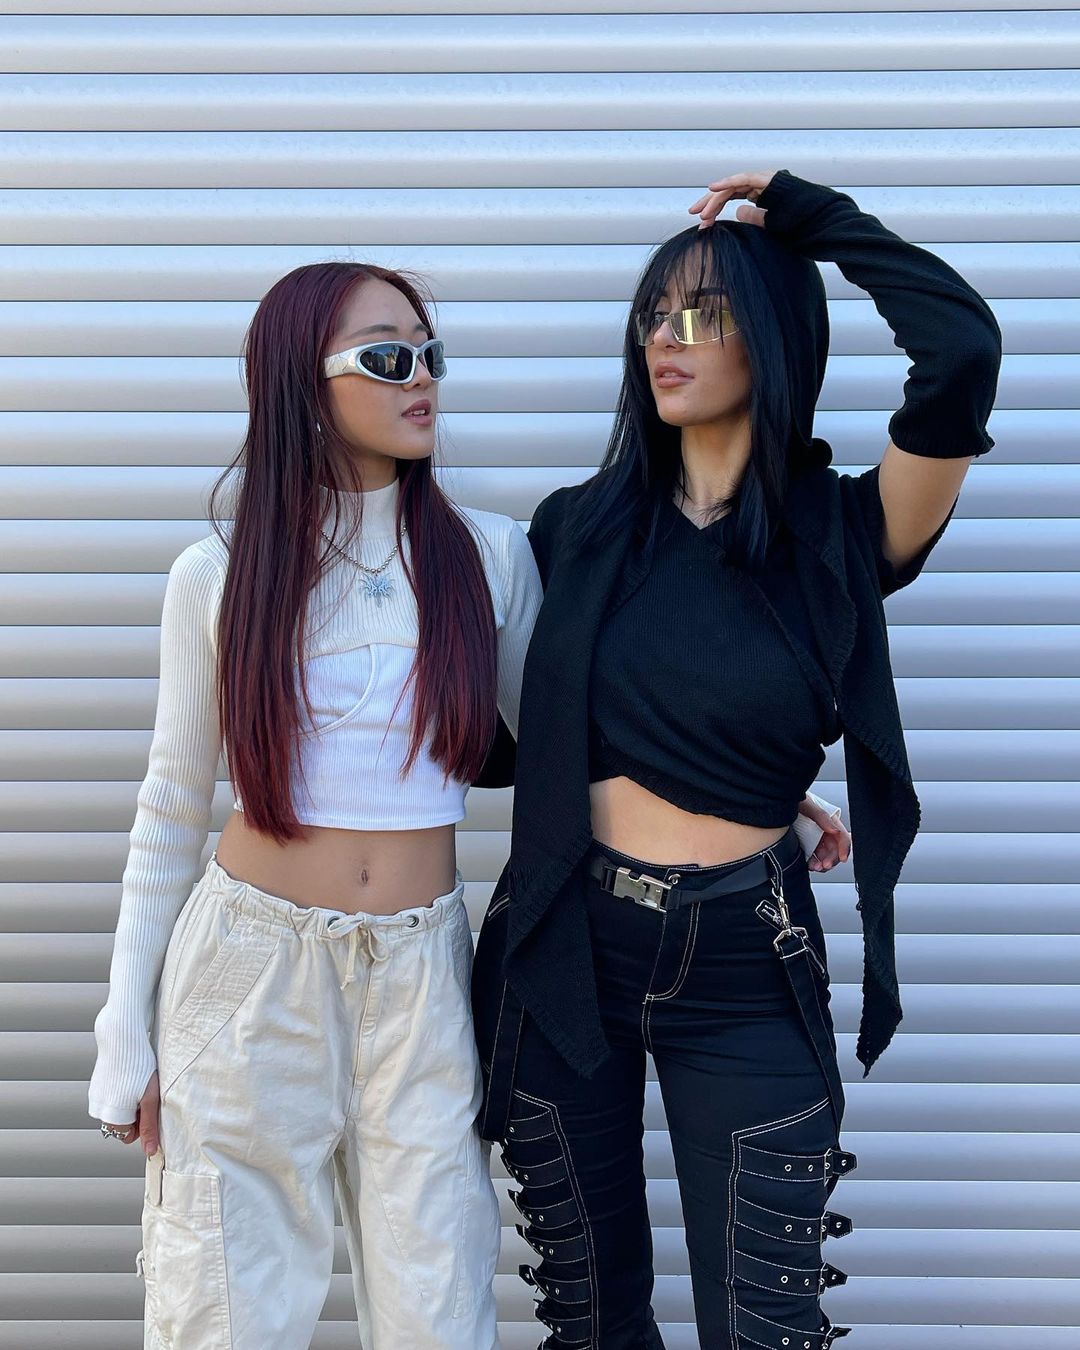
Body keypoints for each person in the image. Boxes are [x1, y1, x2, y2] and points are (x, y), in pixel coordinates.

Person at [471, 168, 1002, 1348]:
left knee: (767, 1325)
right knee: (589, 1323)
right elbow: (546, 723)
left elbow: (962, 350)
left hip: (743, 958)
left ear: (772, 333)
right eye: (656, 314)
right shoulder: (575, 527)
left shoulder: (848, 533)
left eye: (705, 312)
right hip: (567, 947)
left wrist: (814, 217)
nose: (668, 336)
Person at [86, 261, 546, 1349]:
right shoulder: (219, 573)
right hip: (248, 971)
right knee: (224, 1314)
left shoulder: (488, 556)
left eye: (430, 354)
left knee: (441, 1311)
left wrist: (753, 793)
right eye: (387, 357)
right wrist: (123, 1024)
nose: (421, 377)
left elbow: (574, 746)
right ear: (301, 378)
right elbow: (170, 807)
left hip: (423, 977)